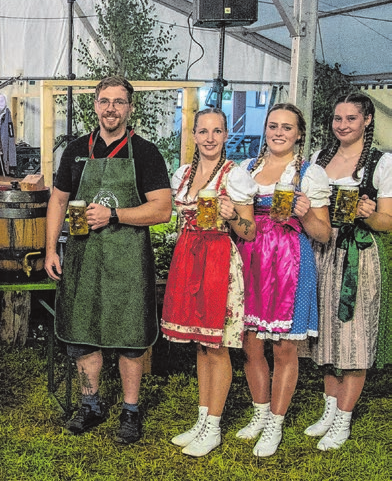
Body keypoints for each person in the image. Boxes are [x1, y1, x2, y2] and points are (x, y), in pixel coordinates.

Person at [45, 76, 172, 442]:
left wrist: (115, 216)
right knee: (84, 335)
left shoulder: (145, 152)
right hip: (84, 258)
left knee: (131, 337)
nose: (111, 108)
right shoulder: (76, 150)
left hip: (129, 261)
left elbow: (162, 210)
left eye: (119, 102)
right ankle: (91, 406)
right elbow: (58, 200)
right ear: (96, 105)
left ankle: (130, 411)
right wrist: (52, 248)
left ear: (130, 108)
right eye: (104, 101)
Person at [233, 104, 331, 456]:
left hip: (290, 262)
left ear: (299, 134)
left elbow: (323, 234)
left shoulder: (309, 174)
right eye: (272, 125)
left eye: (286, 127)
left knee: (284, 347)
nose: (278, 132)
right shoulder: (246, 169)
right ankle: (260, 413)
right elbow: (242, 223)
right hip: (251, 258)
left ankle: (276, 422)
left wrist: (305, 215)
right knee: (249, 342)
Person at [161, 107, 257, 457]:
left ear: (226, 135)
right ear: (195, 136)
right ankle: (202, 419)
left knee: (216, 346)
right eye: (203, 131)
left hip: (218, 261)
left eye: (217, 131)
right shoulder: (183, 174)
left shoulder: (235, 176)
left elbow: (250, 232)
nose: (210, 138)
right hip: (189, 259)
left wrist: (232, 217)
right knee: (201, 345)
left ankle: (214, 426)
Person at [301, 93, 392, 451]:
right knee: (324, 331)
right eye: (338, 119)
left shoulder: (381, 163)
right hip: (321, 248)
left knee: (354, 334)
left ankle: (344, 418)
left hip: (360, 253)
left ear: (367, 120)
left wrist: (367, 213)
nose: (343, 125)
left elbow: (388, 221)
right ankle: (329, 408)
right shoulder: (319, 159)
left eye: (351, 118)